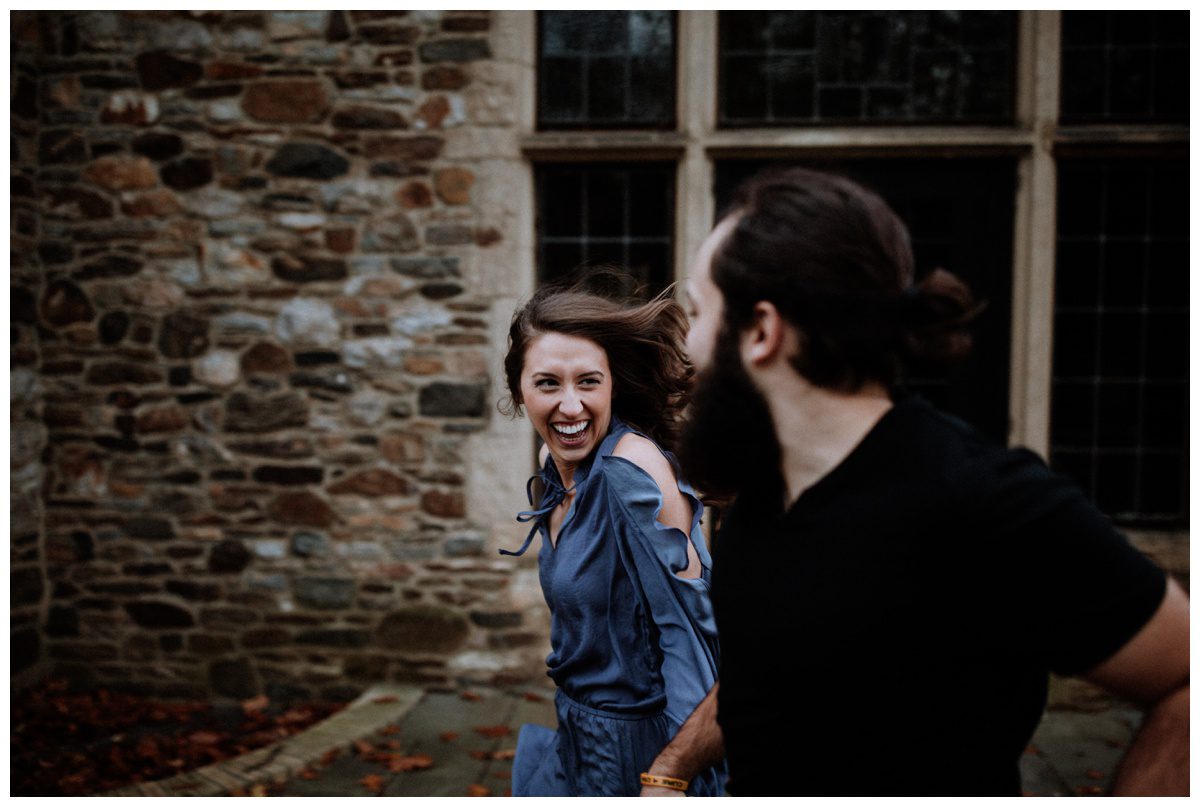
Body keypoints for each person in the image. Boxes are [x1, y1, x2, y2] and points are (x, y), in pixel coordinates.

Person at [639, 167, 1189, 796]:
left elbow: (1184, 677)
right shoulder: (767, 495)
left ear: (762, 331)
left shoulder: (982, 500)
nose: (693, 347)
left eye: (700, 314)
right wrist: (674, 768)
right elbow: (774, 673)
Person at [497, 277, 727, 796]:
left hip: (637, 752)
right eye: (548, 383)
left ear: (612, 386)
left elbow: (687, 634)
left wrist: (673, 774)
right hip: (575, 735)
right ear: (519, 391)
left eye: (588, 382)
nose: (571, 407)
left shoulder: (630, 470)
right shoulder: (552, 467)